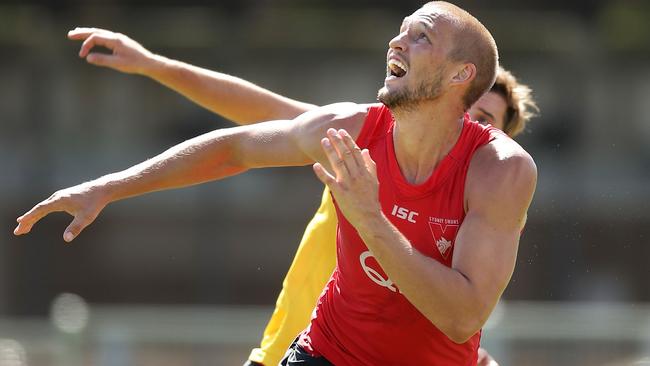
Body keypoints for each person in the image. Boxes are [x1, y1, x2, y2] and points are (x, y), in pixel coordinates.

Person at [15, 2, 537, 365]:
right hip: (318, 351)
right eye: (403, 29)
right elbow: (237, 142)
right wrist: (108, 186)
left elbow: (460, 318)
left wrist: (371, 217)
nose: (397, 41)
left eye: (421, 34)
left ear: (458, 79)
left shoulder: (499, 171)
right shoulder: (355, 130)